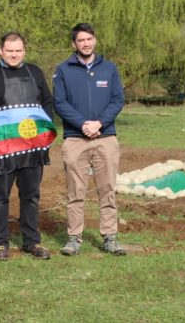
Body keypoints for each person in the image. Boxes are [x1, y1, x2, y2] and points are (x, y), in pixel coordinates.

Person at [0, 32, 56, 261]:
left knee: (31, 196)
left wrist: (44, 129)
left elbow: (47, 101)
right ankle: (0, 243)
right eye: (9, 50)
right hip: (4, 149)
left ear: (24, 51)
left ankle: (32, 241)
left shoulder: (36, 72)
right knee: (0, 196)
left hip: (32, 148)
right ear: (1, 51)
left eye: (18, 50)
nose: (14, 54)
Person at [53, 23, 126, 256]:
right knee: (76, 191)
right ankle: (74, 238)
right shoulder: (63, 70)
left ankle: (110, 237)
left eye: (89, 39)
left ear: (94, 40)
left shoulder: (109, 69)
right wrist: (83, 124)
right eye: (81, 40)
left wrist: (99, 123)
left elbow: (117, 99)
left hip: (105, 138)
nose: (86, 43)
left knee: (107, 189)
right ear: (74, 43)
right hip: (75, 139)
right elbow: (60, 103)